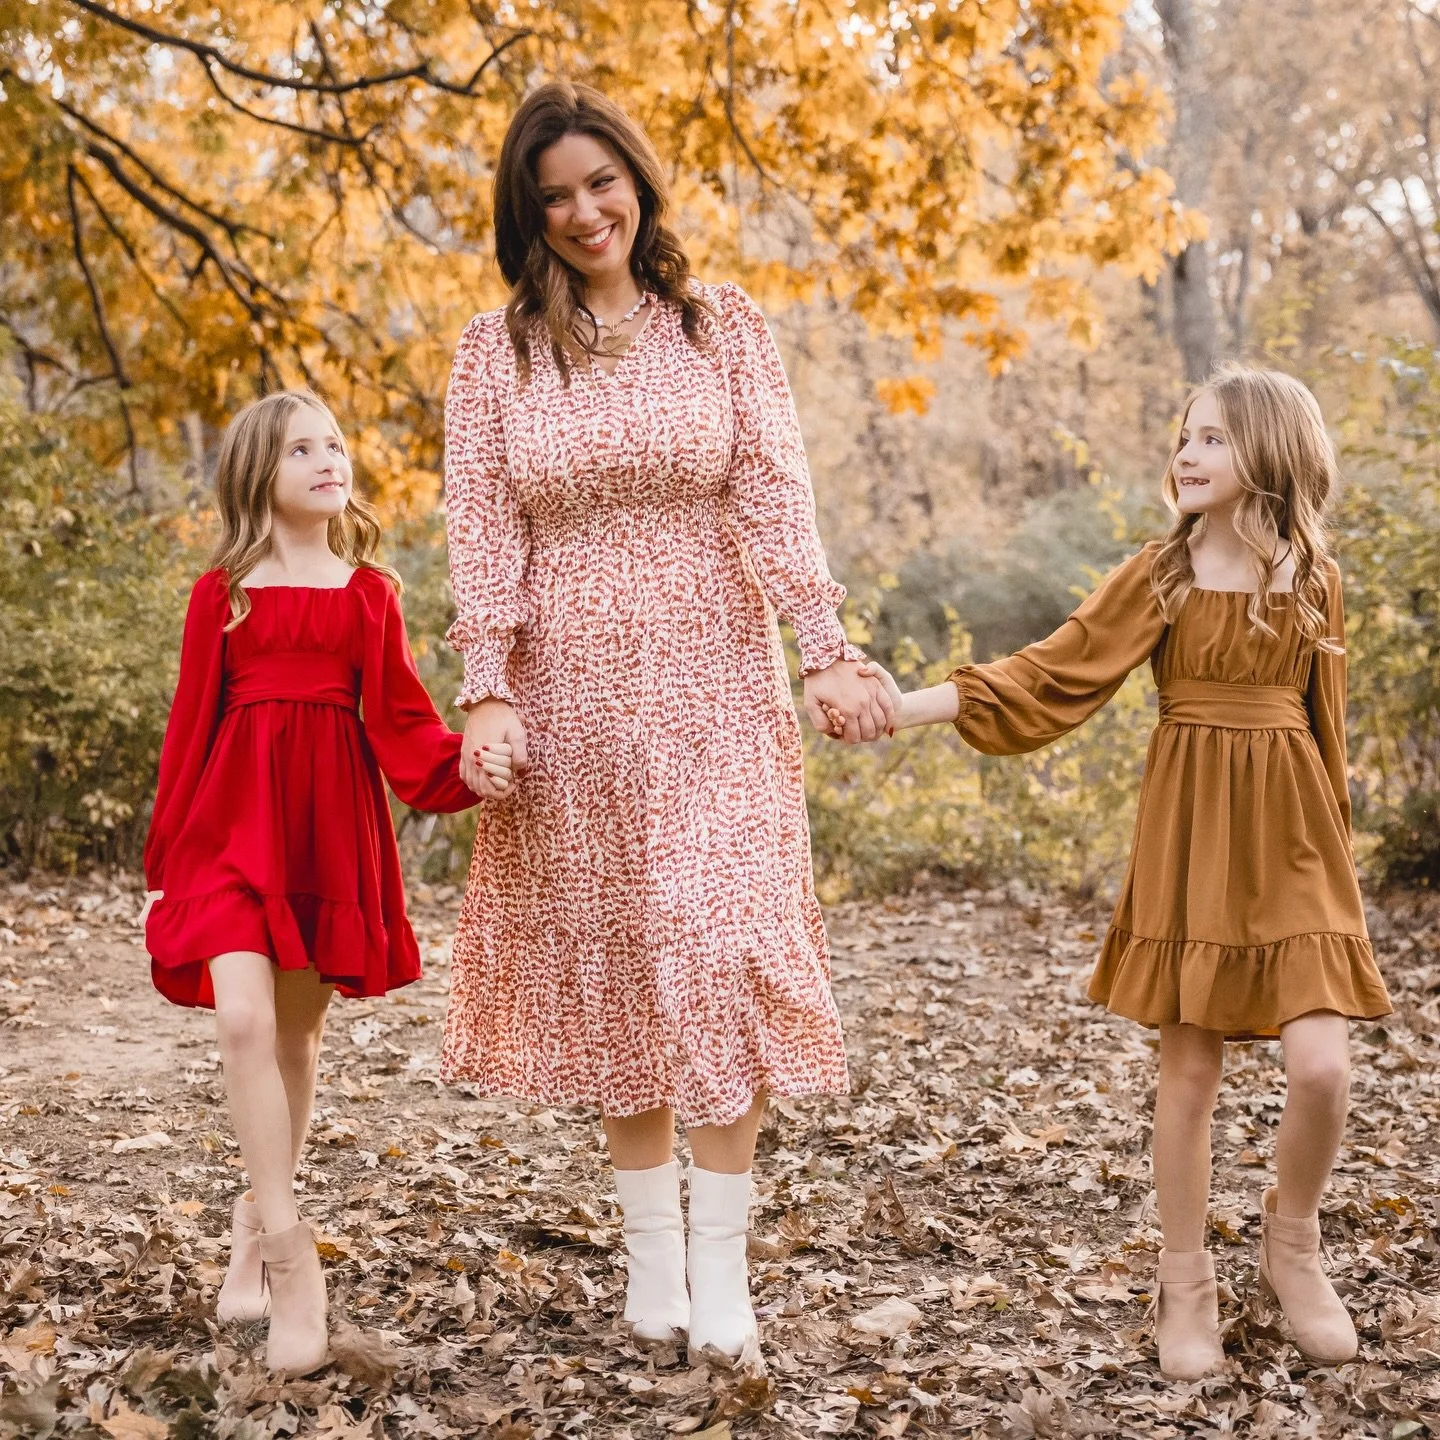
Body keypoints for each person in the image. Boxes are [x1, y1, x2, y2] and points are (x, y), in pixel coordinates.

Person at [438, 81, 892, 1359]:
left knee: (716, 939)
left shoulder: (721, 327)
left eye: (601, 183)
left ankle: (722, 1263)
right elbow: (483, 529)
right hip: (573, 693)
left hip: (715, 680)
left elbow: (772, 497)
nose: (586, 213)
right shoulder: (497, 352)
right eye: (555, 197)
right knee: (627, 959)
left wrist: (826, 653)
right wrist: (489, 688)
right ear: (528, 219)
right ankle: (652, 1264)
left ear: (637, 181)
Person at [853, 365, 1390, 1379]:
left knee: (1323, 1066)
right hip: (1193, 831)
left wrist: (1343, 870)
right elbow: (1049, 672)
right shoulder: (1164, 576)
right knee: (1189, 1073)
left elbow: (1330, 729)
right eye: (1185, 436)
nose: (1187, 454)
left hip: (1299, 839)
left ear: (1270, 454)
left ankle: (1294, 1245)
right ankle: (1184, 1283)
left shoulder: (1315, 581)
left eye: (1214, 439)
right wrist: (904, 705)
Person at [141, 389, 508, 1373]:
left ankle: (252, 1223)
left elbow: (400, 720)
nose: (327, 459)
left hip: (327, 830)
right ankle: (293, 1256)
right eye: (302, 448)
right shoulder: (224, 593)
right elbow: (190, 728)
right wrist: (166, 858)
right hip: (229, 830)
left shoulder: (369, 593)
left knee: (297, 1037)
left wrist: (470, 761)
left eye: (335, 445)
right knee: (245, 1024)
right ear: (260, 471)